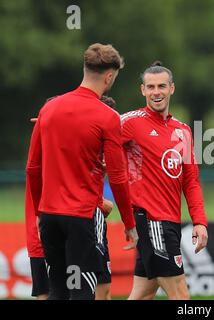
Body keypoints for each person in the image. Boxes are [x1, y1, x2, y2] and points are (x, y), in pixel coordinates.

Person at [25, 43, 138, 300]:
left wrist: (40, 210)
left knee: (57, 290)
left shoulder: (49, 109)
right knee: (82, 291)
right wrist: (129, 223)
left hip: (50, 216)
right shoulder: (107, 117)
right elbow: (118, 177)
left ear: (85, 69)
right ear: (109, 77)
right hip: (80, 218)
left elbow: (32, 168)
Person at [121, 61, 208, 300]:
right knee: (180, 293)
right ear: (142, 90)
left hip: (169, 221)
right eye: (150, 87)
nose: (156, 92)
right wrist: (56, 124)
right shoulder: (130, 122)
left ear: (172, 89)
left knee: (143, 292)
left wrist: (199, 221)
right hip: (151, 221)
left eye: (161, 86)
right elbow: (93, 134)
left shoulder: (183, 131)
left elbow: (191, 182)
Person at [26, 95, 115, 300]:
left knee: (73, 291)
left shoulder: (76, 146)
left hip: (54, 227)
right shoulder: (54, 152)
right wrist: (101, 204)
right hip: (65, 228)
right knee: (73, 292)